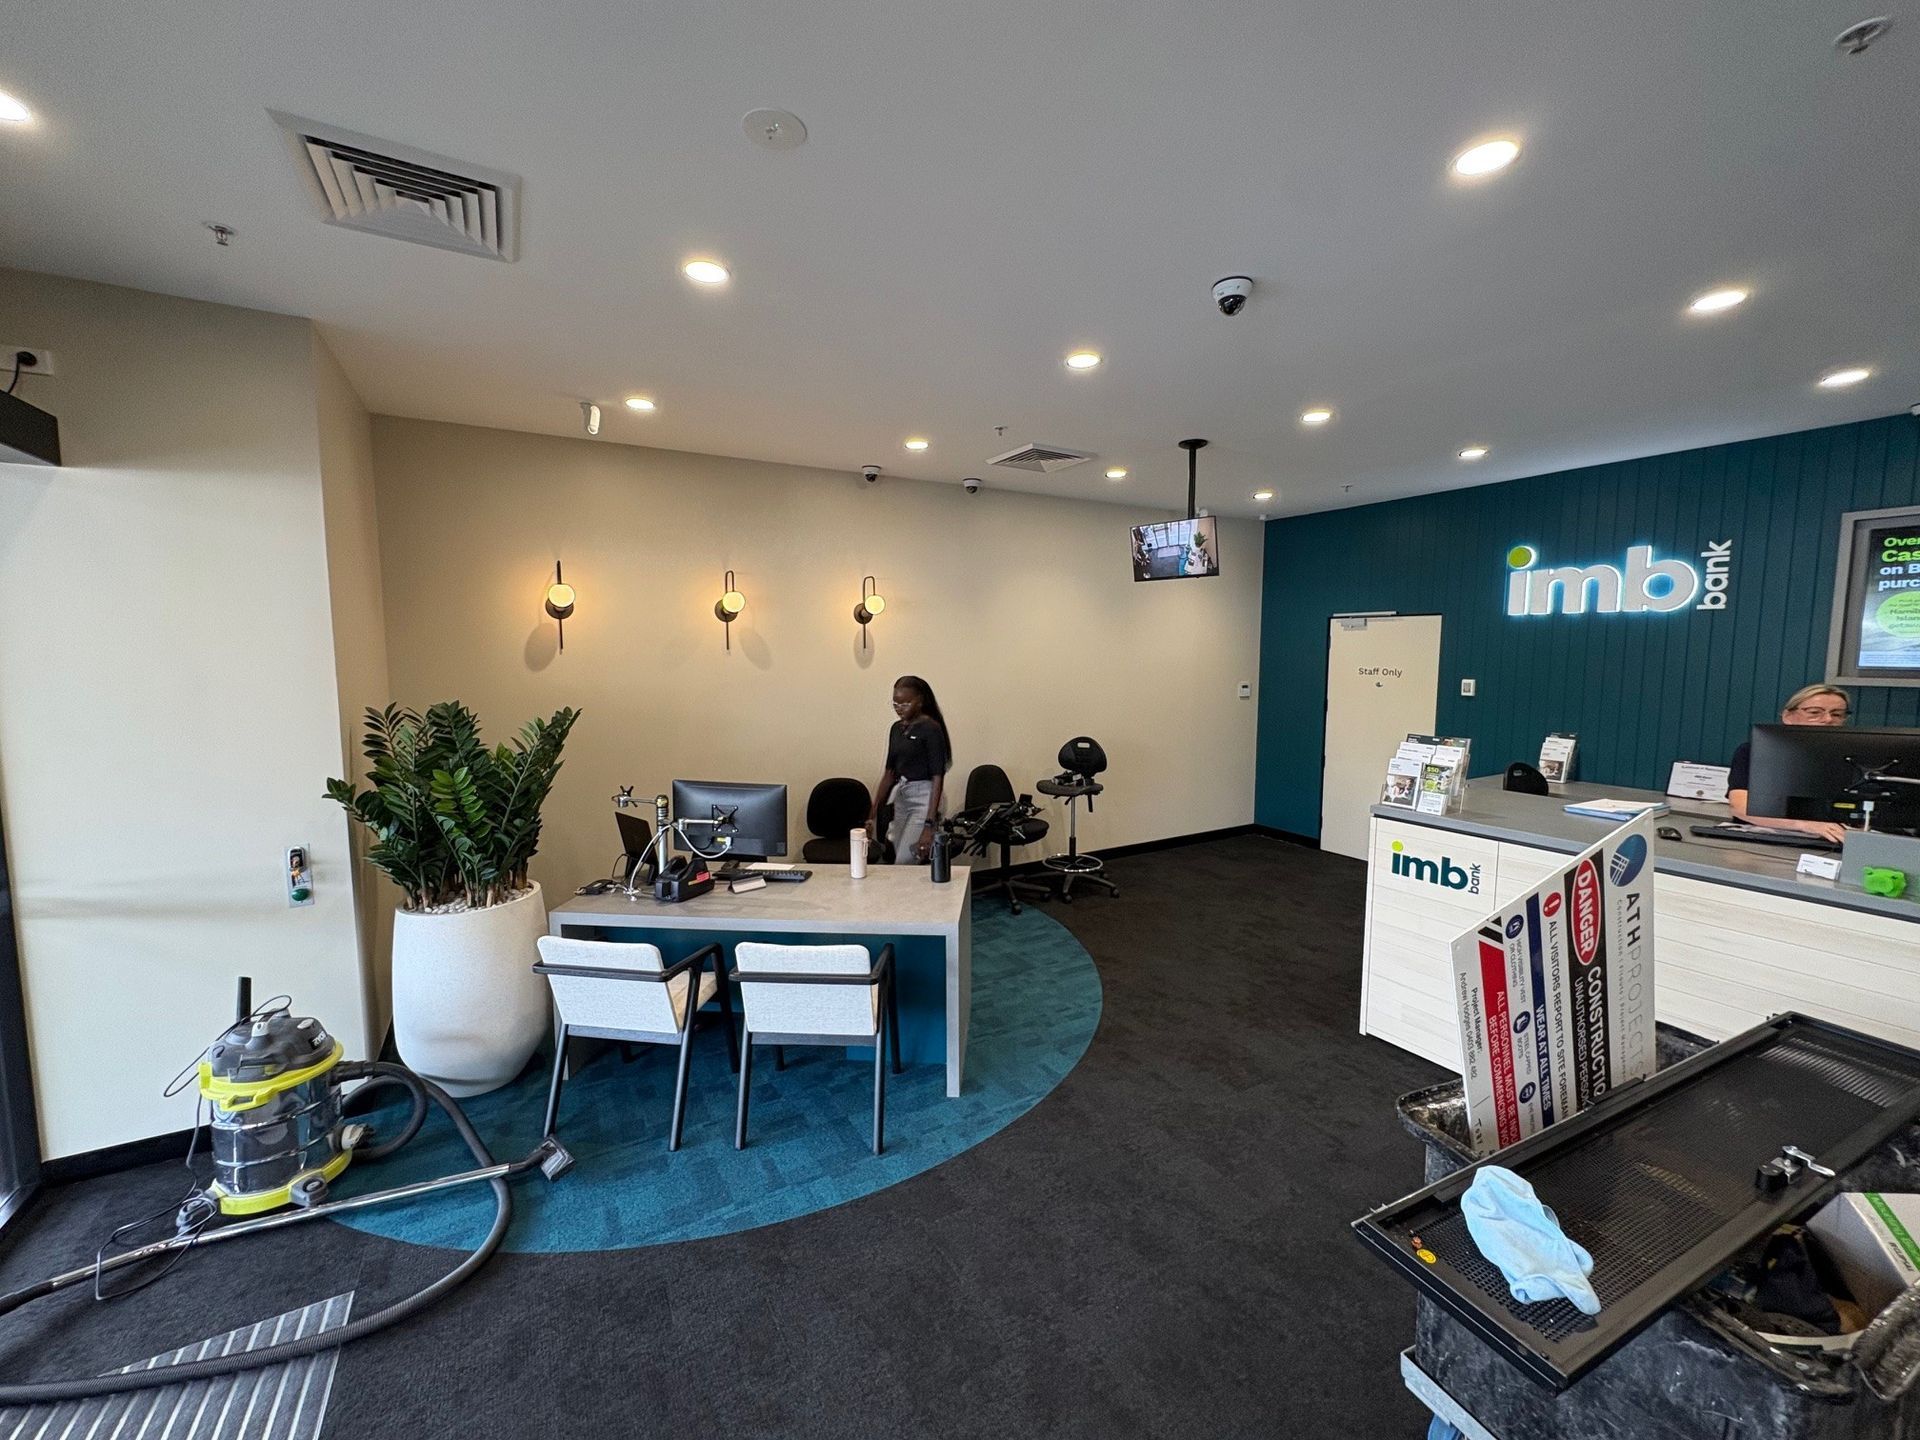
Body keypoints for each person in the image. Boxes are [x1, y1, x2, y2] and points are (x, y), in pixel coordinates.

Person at [1727, 682, 1850, 843]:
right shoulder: (1753, 752)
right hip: (1760, 839)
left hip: (1830, 841)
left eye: (1837, 714)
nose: (1827, 719)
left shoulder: (1852, 758)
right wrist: (1805, 824)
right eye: (1814, 712)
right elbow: (1740, 806)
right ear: (1788, 717)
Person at [866, 675, 952, 865]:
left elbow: (938, 777)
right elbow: (889, 773)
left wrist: (930, 824)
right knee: (899, 852)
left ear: (920, 701)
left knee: (905, 860)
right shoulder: (896, 729)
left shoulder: (931, 729)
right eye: (895, 703)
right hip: (903, 796)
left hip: (925, 797)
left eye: (905, 703)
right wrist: (872, 812)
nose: (899, 709)